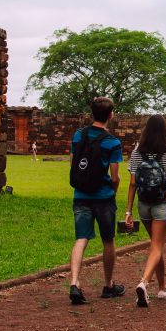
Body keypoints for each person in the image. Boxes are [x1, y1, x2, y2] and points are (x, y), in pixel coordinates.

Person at [68, 97, 126, 305]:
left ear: (91, 113)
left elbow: (74, 163)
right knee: (108, 240)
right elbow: (115, 177)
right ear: (111, 115)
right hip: (103, 197)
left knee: (81, 238)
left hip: (81, 195)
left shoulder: (78, 135)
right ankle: (109, 285)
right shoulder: (112, 142)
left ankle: (74, 283)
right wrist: (113, 192)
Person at [125, 115, 166, 307]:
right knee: (157, 246)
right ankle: (144, 283)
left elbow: (133, 183)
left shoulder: (137, 153)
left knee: (156, 245)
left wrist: (128, 211)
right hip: (162, 202)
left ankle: (162, 287)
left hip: (143, 204)